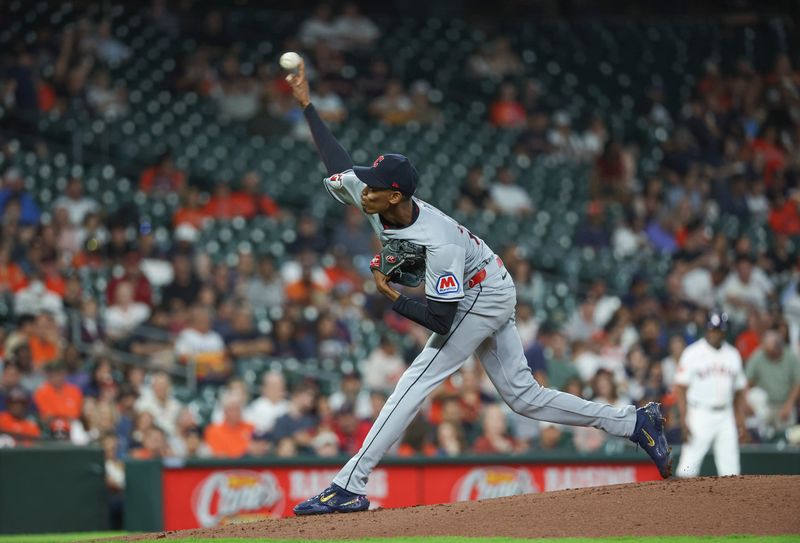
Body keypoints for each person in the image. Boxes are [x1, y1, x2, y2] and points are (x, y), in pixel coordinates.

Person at [283, 59, 671, 516]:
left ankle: (350, 483)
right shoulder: (376, 195)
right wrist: (308, 105)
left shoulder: (437, 241)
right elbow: (337, 165)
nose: (359, 189)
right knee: (523, 397)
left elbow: (440, 318)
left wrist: (390, 294)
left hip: (480, 292)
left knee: (416, 380)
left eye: (371, 187)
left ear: (394, 196)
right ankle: (633, 422)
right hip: (485, 280)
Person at [674, 310, 747, 477]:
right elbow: (680, 388)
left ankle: (731, 503)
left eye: (719, 329)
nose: (715, 333)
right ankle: (680, 503)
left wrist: (740, 418)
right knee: (687, 468)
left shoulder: (733, 354)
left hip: (726, 414)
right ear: (706, 329)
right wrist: (684, 419)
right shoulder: (692, 353)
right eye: (712, 329)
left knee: (731, 471)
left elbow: (740, 389)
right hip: (700, 413)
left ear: (725, 331)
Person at [745, 330, 800, 433]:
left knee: (787, 437)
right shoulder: (758, 355)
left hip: (785, 404)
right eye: (767, 351)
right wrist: (746, 403)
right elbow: (746, 382)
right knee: (762, 437)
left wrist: (789, 405)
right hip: (764, 406)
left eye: (772, 351)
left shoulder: (791, 357)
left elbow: (797, 383)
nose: (769, 354)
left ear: (779, 348)